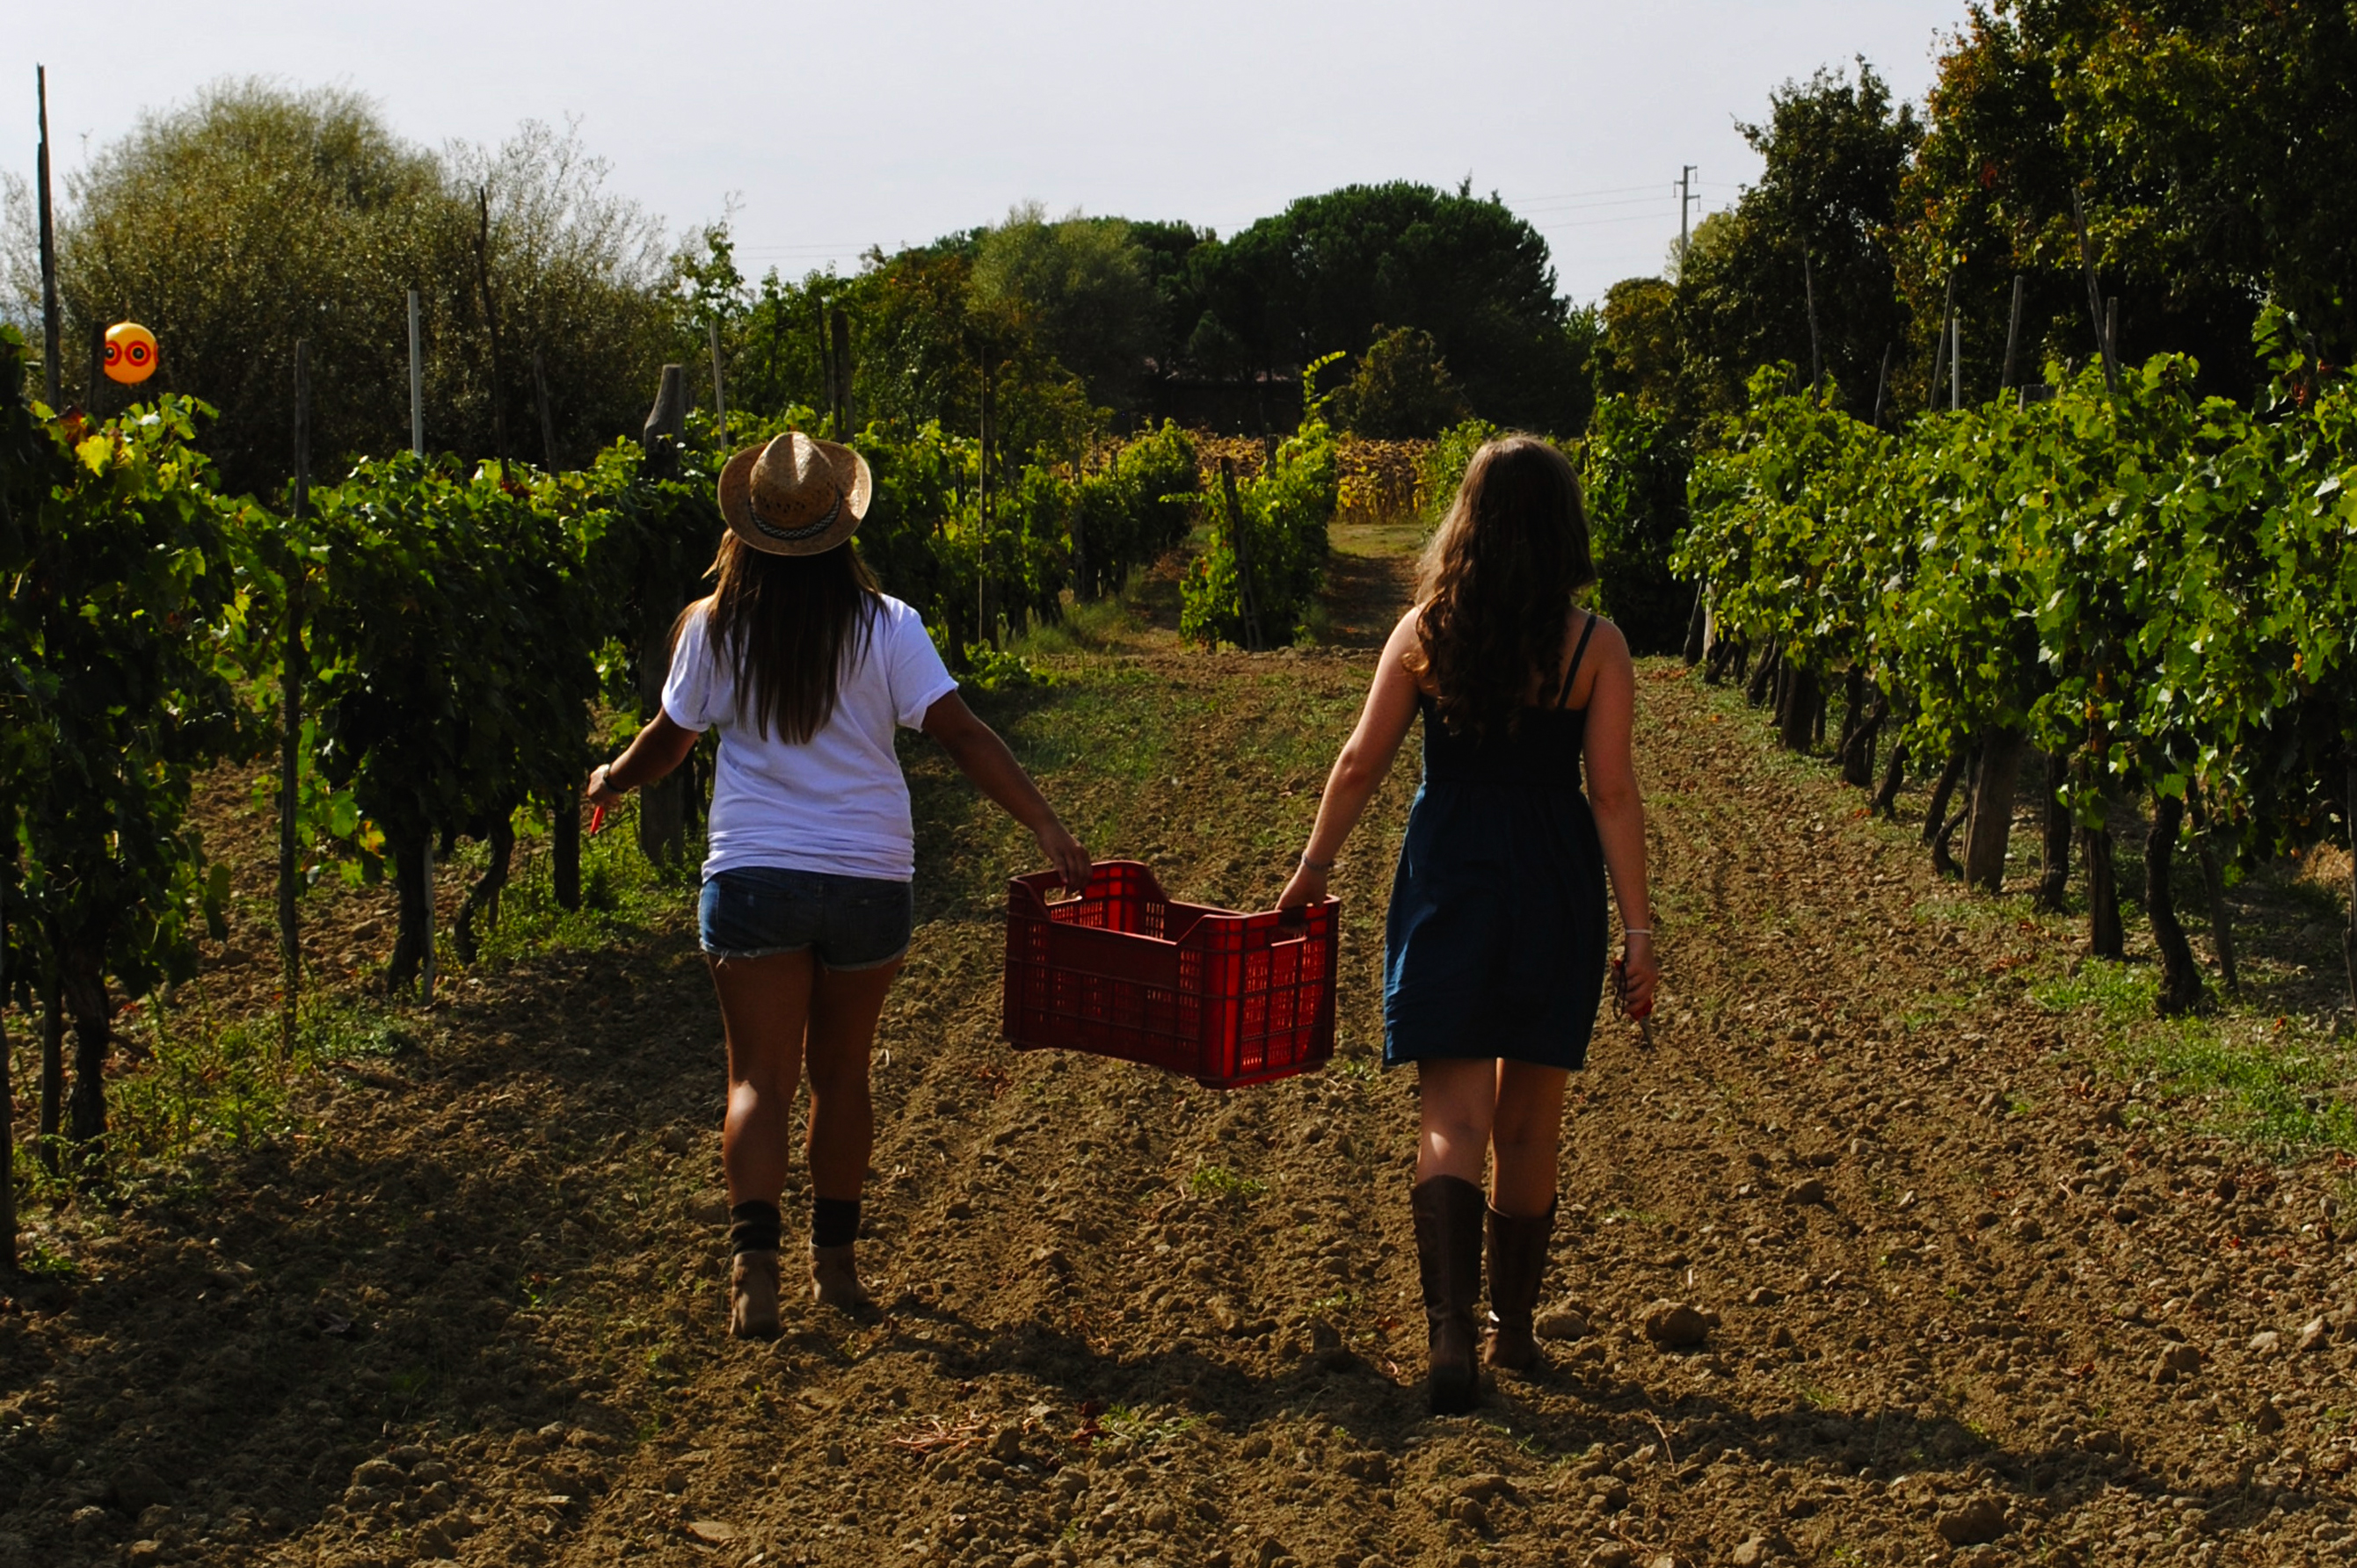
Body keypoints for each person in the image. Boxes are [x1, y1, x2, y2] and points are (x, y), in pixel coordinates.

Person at [586, 431, 1090, 1339]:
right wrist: (1044, 821)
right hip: (867, 878)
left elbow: (670, 740)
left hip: (752, 876)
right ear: (838, 526)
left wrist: (612, 778)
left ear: (746, 527)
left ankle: (754, 1271)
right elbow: (961, 732)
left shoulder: (712, 625)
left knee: (758, 1081)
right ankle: (838, 1265)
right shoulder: (887, 624)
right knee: (842, 1076)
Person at [1277, 434, 1657, 1413]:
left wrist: (1312, 870)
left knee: (1451, 1115)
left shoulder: (1423, 631)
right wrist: (1639, 930)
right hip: (1550, 879)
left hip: (1449, 869)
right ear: (1563, 527)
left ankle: (1449, 1335)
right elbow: (1610, 793)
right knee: (1529, 1120)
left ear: (1469, 521)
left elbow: (1360, 761)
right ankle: (1515, 1331)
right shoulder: (1593, 645)